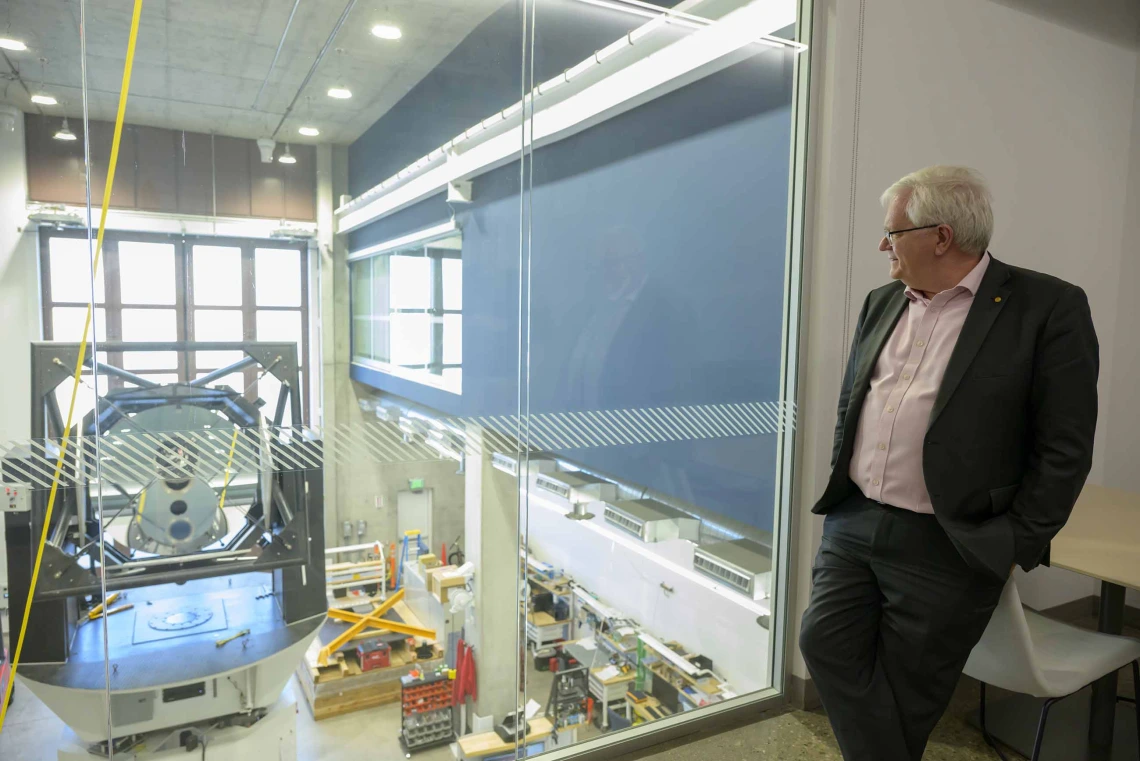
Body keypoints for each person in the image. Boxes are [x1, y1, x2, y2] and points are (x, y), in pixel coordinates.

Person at [798, 165, 1099, 761]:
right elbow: (854, 403)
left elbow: (1065, 446)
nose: (882, 245)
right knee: (823, 643)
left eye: (893, 232)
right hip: (856, 521)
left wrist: (1013, 541)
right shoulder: (881, 301)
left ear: (941, 237)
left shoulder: (1047, 307)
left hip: (950, 540)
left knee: (909, 694)